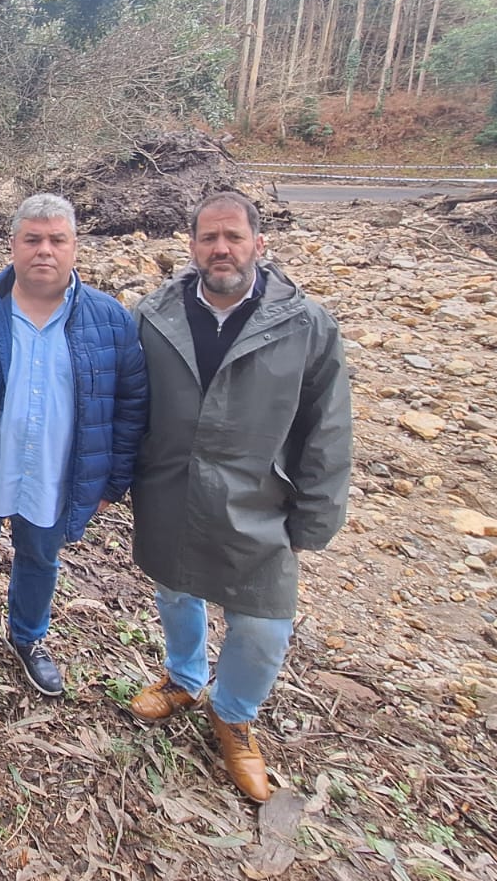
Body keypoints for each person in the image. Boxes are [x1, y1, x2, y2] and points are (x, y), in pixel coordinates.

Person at [126, 191, 351, 803]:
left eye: (233, 236)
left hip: (262, 499)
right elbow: (129, 407)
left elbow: (327, 428)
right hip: (172, 489)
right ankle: (183, 677)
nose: (220, 248)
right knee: (175, 589)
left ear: (259, 243)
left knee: (262, 623)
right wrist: (119, 477)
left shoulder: (305, 325)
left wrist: (317, 515)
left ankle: (234, 716)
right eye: (208, 238)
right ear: (192, 245)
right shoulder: (155, 315)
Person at [0, 194, 148, 723]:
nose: (44, 250)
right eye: (32, 239)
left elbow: (130, 404)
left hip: (57, 471)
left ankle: (29, 638)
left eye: (57, 240)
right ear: (13, 245)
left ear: (75, 246)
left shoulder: (109, 321)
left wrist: (110, 481)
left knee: (41, 559)